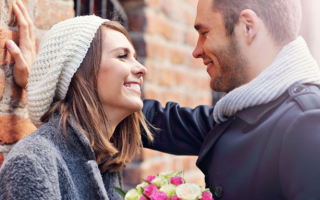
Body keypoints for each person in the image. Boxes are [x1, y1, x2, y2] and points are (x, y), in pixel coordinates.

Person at [8, 0, 320, 199]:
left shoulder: (306, 122)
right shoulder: (245, 114)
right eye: (121, 55)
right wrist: (51, 75)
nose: (196, 50)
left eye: (204, 32)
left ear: (247, 26)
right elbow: (148, 118)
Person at [0, 3, 154, 200]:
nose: (142, 68)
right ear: (80, 73)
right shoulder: (31, 162)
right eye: (122, 56)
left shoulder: (105, 162)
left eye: (135, 57)